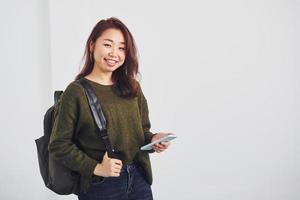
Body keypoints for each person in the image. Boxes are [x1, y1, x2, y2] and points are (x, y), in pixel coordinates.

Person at [48, 17, 173, 200]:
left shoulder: (132, 87)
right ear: (92, 45)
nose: (114, 53)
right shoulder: (76, 92)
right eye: (108, 45)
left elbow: (141, 131)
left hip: (139, 179)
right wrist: (97, 168)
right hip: (101, 185)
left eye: (121, 48)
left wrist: (154, 140)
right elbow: (59, 145)